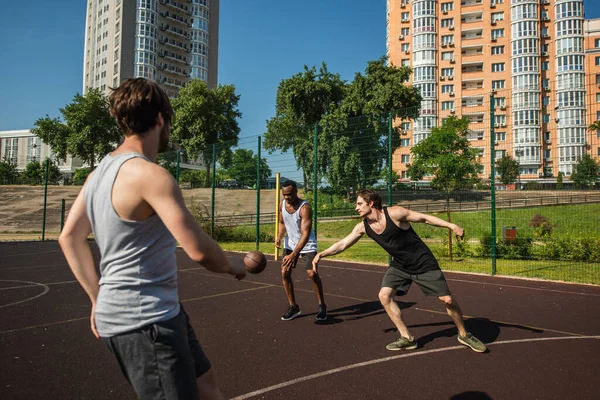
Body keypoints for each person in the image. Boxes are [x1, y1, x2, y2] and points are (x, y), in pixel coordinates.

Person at [58, 78, 246, 400]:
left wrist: (96, 299)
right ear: (161, 118)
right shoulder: (151, 176)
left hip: (163, 311)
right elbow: (199, 250)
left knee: (207, 386)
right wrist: (232, 265)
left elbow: (69, 237)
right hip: (145, 322)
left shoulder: (98, 174)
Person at [312, 189, 487, 353]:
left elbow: (424, 218)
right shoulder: (362, 227)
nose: (356, 207)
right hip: (401, 266)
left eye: (359, 203)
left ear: (371, 203)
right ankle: (407, 337)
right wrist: (322, 254)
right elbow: (342, 244)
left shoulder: (394, 213)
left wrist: (452, 226)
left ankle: (464, 335)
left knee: (447, 300)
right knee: (384, 296)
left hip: (423, 262)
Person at [275, 180, 326, 321]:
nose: (286, 197)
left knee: (312, 273)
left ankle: (322, 305)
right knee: (285, 273)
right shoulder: (282, 205)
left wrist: (293, 255)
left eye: (289, 194)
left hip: (307, 245)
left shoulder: (305, 208)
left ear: (296, 192)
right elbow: (281, 222)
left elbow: (305, 234)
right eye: (284, 195)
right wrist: (279, 236)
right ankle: (293, 307)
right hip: (290, 244)